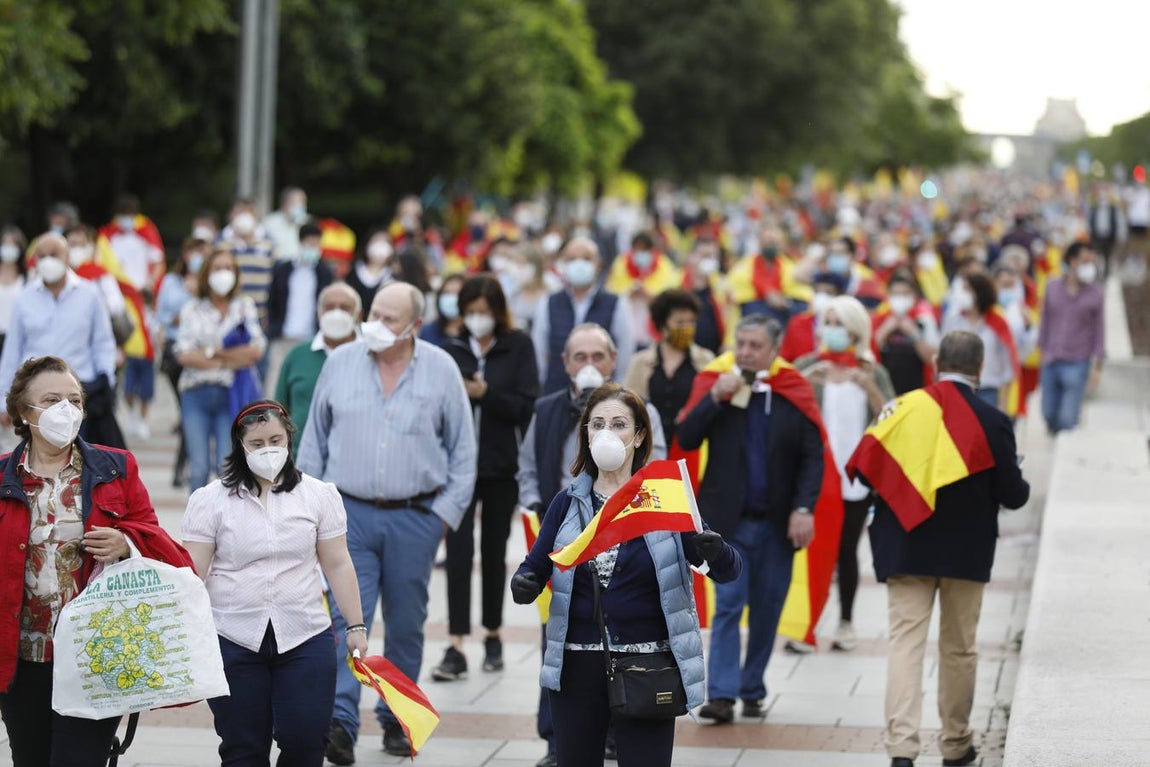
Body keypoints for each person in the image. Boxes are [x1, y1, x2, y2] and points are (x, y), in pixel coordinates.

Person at [510, 383, 741, 767]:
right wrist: (525, 584)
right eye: (597, 424)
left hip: (647, 666)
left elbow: (728, 570)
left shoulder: (665, 500)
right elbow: (533, 569)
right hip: (576, 665)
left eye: (618, 424)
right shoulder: (566, 504)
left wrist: (715, 550)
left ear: (638, 436)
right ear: (585, 435)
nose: (606, 433)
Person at [297, 282, 476, 762]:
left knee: (406, 622)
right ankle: (340, 721)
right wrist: (310, 510)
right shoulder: (340, 364)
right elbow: (313, 441)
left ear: (415, 326)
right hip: (346, 515)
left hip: (416, 516)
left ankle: (397, 717)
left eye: (390, 318)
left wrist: (442, 519)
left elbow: (463, 452)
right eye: (374, 311)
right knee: (344, 618)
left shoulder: (440, 370)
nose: (376, 323)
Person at [0, 355, 193, 767]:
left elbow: (163, 547)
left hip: (95, 656)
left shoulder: (115, 467)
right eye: (51, 400)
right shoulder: (3, 477)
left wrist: (127, 542)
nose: (65, 410)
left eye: (74, 400)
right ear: (22, 411)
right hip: (22, 660)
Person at [853, 331, 1030, 767]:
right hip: (965, 554)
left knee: (905, 645)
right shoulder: (992, 419)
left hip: (906, 546)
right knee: (960, 648)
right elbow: (1013, 495)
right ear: (980, 368)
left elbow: (867, 469)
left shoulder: (902, 408)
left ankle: (902, 748)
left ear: (935, 364)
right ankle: (955, 744)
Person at [181, 400, 368, 767]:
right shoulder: (210, 501)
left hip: (305, 635)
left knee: (306, 742)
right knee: (243, 750)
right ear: (240, 445)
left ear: (289, 440)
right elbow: (192, 573)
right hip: (233, 638)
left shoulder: (318, 495)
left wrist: (356, 626)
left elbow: (338, 563)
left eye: (276, 440)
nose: (268, 450)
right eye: (257, 443)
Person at [676, 314, 825, 724]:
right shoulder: (717, 382)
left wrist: (804, 507)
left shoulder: (793, 389)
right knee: (728, 604)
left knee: (767, 607)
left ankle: (752, 684)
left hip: (778, 521)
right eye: (740, 343)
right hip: (728, 523)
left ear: (774, 351)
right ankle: (722, 694)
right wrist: (714, 400)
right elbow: (686, 436)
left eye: (755, 345)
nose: (744, 352)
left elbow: (814, 455)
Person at [434, 275, 538, 681]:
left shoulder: (518, 346)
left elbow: (526, 404)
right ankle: (456, 641)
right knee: (458, 555)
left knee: (494, 553)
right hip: (456, 469)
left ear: (497, 311)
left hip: (500, 466)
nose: (477, 320)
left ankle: (493, 634)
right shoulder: (450, 349)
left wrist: (485, 394)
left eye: (484, 312)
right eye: (471, 312)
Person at [795, 296, 894, 651]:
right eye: (829, 322)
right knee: (809, 548)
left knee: (846, 548)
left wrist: (868, 387)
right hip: (813, 475)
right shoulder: (809, 365)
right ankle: (805, 624)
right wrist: (805, 380)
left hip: (855, 477)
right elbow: (783, 403)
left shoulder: (871, 370)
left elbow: (892, 419)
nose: (832, 331)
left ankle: (846, 621)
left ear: (855, 329)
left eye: (839, 324)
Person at [0, 233, 124, 450]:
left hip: (79, 393)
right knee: (37, 458)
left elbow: (103, 343)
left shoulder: (90, 294)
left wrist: (106, 385)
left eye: (54, 254)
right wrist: (3, 401)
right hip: (36, 396)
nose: (48, 260)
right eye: (42, 256)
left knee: (79, 460)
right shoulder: (25, 298)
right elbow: (12, 352)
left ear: (67, 257)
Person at [174, 248, 267, 493]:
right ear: (207, 274)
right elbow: (184, 354)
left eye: (228, 268)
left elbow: (255, 350)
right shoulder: (192, 308)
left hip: (232, 395)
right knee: (198, 467)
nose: (223, 274)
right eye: (217, 268)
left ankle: (227, 526)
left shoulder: (244, 306)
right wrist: (230, 360)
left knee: (227, 466)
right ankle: (195, 527)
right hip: (196, 395)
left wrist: (210, 352)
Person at [532, 236, 634, 394]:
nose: (579, 264)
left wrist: (618, 389)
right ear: (563, 264)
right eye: (571, 259)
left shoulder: (616, 303)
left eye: (587, 258)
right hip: (558, 392)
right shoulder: (548, 303)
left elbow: (625, 351)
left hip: (603, 396)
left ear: (598, 264)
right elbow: (539, 350)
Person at [274, 283, 361, 453]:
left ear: (358, 315)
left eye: (345, 308)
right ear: (318, 312)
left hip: (354, 459)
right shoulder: (297, 355)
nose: (336, 313)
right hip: (300, 460)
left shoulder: (370, 356)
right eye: (329, 307)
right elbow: (279, 411)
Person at [623, 289, 714, 448]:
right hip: (650, 449)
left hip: (691, 452)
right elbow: (630, 408)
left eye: (691, 322)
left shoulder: (706, 360)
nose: (686, 328)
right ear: (663, 325)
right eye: (680, 322)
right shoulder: (640, 362)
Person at [1038, 242, 1105, 435]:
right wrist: (1042, 351)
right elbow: (1045, 321)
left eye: (1092, 262)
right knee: (1048, 412)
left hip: (1077, 361)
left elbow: (1099, 331)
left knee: (1069, 419)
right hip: (1051, 357)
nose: (1089, 266)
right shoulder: (1052, 287)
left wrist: (1097, 367)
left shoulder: (1096, 293)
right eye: (1085, 261)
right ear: (1072, 261)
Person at [156, 237, 208, 486]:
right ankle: (183, 467)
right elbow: (164, 316)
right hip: (176, 354)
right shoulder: (171, 281)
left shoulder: (209, 284)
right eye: (194, 251)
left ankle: (182, 468)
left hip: (201, 355)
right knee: (188, 411)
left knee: (190, 412)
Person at [940, 273, 1017, 411]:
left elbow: (1007, 363)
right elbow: (942, 353)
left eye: (967, 289)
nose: (962, 294)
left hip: (987, 389)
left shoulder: (997, 324)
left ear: (979, 293)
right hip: (956, 388)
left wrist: (1004, 402)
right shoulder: (953, 320)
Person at [605, 232, 682, 349]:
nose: (641, 253)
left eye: (645, 249)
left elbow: (670, 296)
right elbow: (611, 291)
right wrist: (629, 293)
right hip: (628, 329)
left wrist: (649, 295)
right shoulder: (621, 263)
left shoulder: (664, 265)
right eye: (637, 249)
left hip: (652, 331)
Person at [873, 273, 941, 395]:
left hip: (918, 390)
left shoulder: (924, 320)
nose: (900, 298)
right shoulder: (879, 320)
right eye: (896, 294)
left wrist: (914, 333)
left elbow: (933, 359)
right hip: (887, 390)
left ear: (914, 296)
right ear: (888, 295)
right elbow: (870, 355)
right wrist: (884, 330)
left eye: (905, 294)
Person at [778, 272, 848, 362]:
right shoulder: (798, 323)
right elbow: (785, 357)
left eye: (828, 292)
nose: (822, 297)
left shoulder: (847, 324)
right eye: (818, 292)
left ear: (840, 296)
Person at [680, 237, 729, 354]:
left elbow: (731, 321)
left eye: (713, 257)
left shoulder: (723, 288)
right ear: (691, 257)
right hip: (683, 352)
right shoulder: (676, 286)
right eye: (705, 256)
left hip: (715, 355)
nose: (709, 261)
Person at [344, 228, 393, 318]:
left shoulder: (393, 276)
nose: (380, 247)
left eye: (385, 242)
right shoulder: (352, 271)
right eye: (376, 241)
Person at [261, 186, 311, 261]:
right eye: (299, 202)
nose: (302, 206)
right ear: (285, 203)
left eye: (304, 202)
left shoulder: (307, 223)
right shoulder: (269, 223)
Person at [0, 226, 27, 358]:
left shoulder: (28, 278)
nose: (8, 247)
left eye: (13, 243)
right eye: (5, 243)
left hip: (16, 339)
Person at [421, 273, 465, 347]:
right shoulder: (428, 332)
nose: (451, 298)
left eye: (456, 293)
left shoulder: (474, 334)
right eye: (447, 293)